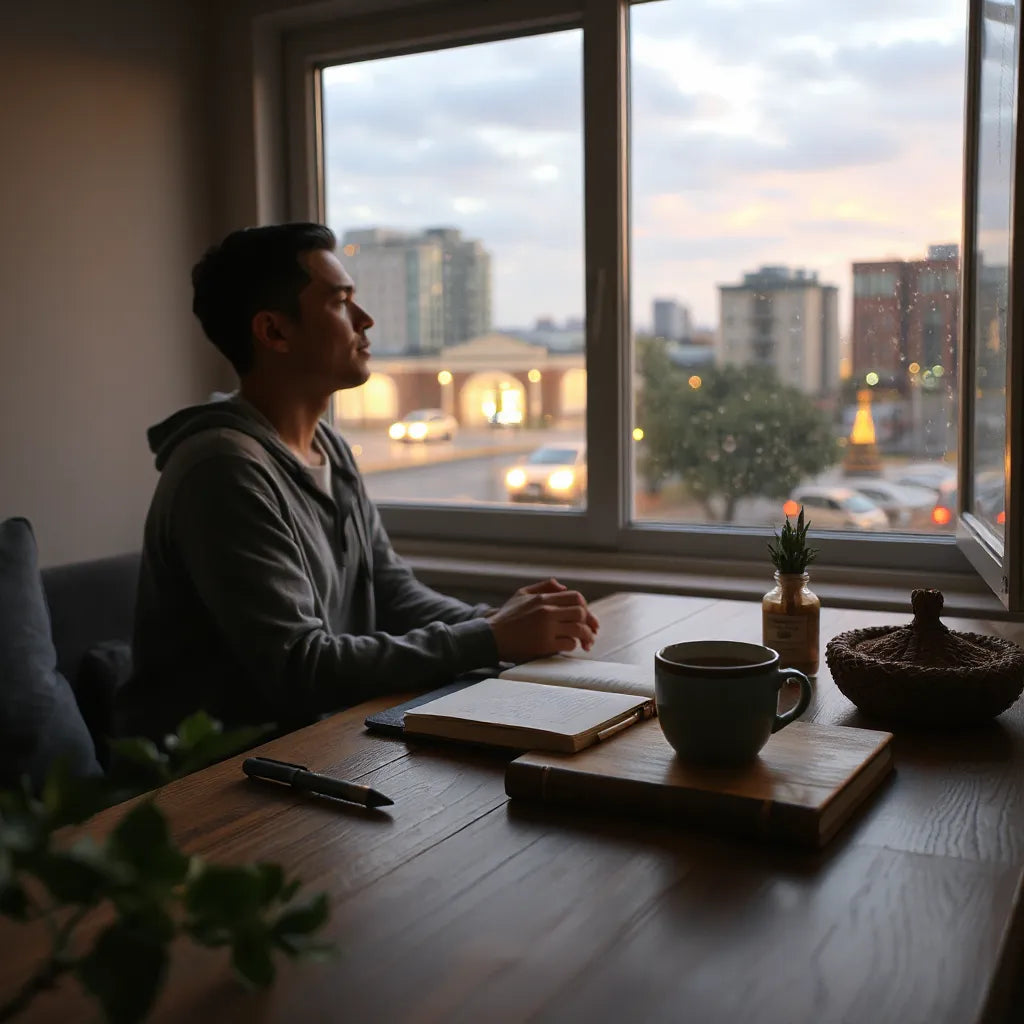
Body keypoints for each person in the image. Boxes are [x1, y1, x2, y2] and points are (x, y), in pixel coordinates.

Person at [115, 223, 598, 742]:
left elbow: (390, 591)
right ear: (274, 331)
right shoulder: (221, 470)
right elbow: (300, 667)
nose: (365, 320)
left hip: (319, 744)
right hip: (213, 783)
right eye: (341, 302)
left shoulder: (330, 447)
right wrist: (490, 637)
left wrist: (499, 622)